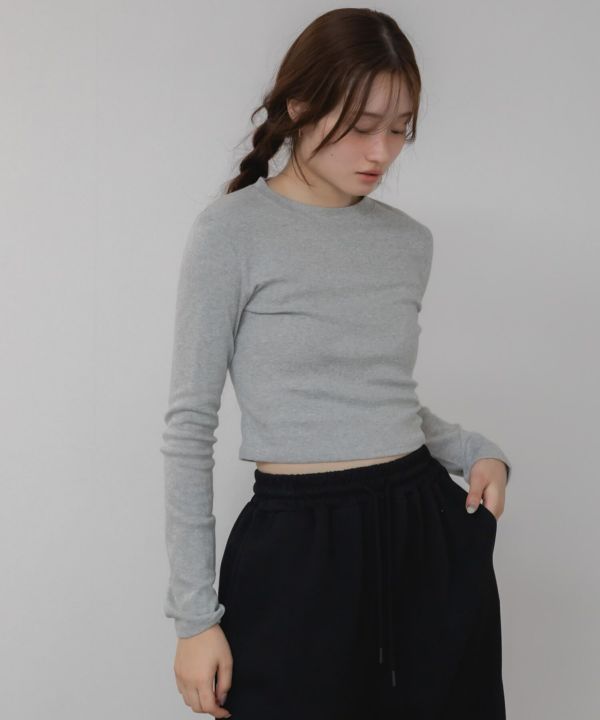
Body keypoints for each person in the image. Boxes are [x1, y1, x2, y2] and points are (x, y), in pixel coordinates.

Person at [160, 8, 512, 719]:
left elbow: (379, 395)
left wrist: (474, 450)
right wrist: (194, 619)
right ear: (299, 106)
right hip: (297, 547)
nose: (381, 151)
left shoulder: (408, 242)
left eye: (400, 128)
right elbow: (190, 426)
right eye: (361, 125)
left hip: (425, 532)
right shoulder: (231, 233)